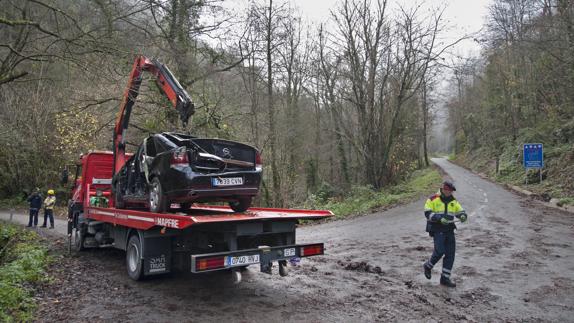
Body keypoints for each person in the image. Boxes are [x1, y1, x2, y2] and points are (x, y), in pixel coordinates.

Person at [423, 181, 467, 287]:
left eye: (451, 191)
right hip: (437, 229)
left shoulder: (453, 201)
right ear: (443, 189)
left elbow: (460, 211)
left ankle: (445, 278)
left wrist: (462, 215)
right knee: (439, 251)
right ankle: (428, 266)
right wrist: (439, 218)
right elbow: (427, 213)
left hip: (449, 229)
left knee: (450, 254)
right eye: (448, 190)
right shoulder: (433, 199)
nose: (449, 193)